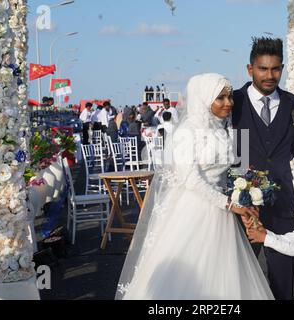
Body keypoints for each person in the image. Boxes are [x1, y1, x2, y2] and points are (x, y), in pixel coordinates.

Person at [116, 73, 274, 300]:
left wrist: (246, 195)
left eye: (229, 97)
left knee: (223, 276)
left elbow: (235, 170)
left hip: (223, 212)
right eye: (220, 98)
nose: (228, 103)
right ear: (203, 99)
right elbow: (190, 179)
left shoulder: (224, 129)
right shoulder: (186, 132)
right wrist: (229, 204)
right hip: (193, 210)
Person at [232, 37, 294, 300]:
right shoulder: (232, 103)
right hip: (243, 207)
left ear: (282, 68)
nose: (270, 75)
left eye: (275, 69)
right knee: (239, 277)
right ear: (250, 69)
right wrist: (237, 196)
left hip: (284, 203)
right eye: (263, 68)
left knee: (284, 279)